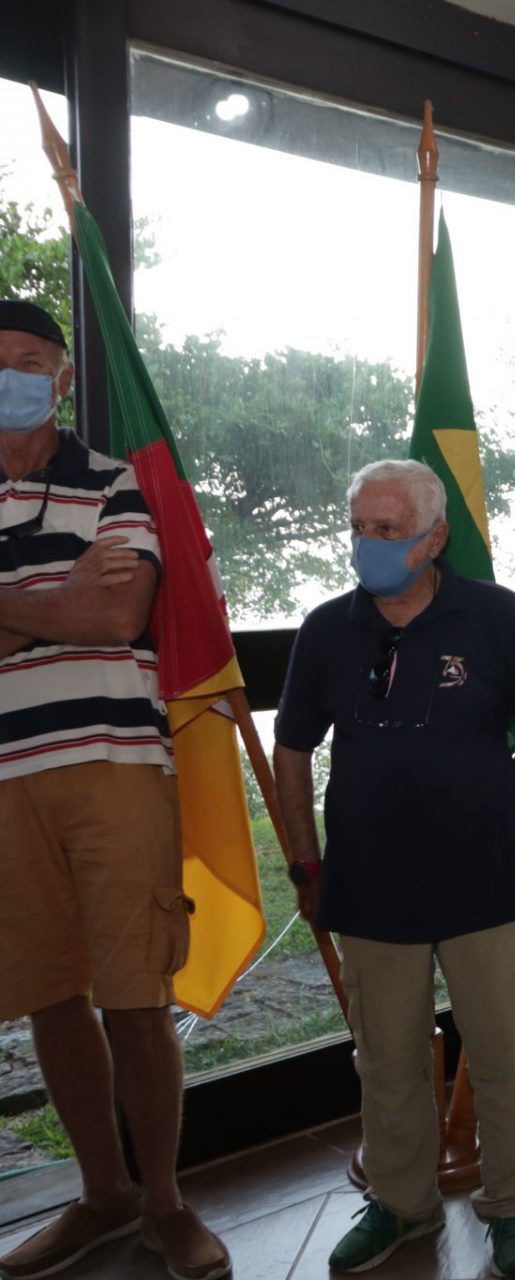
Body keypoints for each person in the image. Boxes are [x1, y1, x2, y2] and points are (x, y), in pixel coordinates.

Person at [273, 459, 515, 1276]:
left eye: (388, 530)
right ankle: (401, 1204)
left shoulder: (496, 615)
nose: (367, 543)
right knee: (388, 1060)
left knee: (508, 1056)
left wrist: (489, 812)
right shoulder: (325, 630)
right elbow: (291, 753)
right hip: (369, 886)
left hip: (484, 883)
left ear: (435, 539)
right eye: (359, 528)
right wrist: (305, 866)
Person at [0, 300, 232, 1280]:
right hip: (7, 779)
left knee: (135, 994)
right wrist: (61, 597)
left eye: (29, 360)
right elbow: (84, 607)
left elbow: (120, 609)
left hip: (116, 763)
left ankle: (165, 1203)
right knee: (48, 994)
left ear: (60, 378)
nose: (12, 376)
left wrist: (28, 610)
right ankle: (104, 1195)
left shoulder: (113, 480)